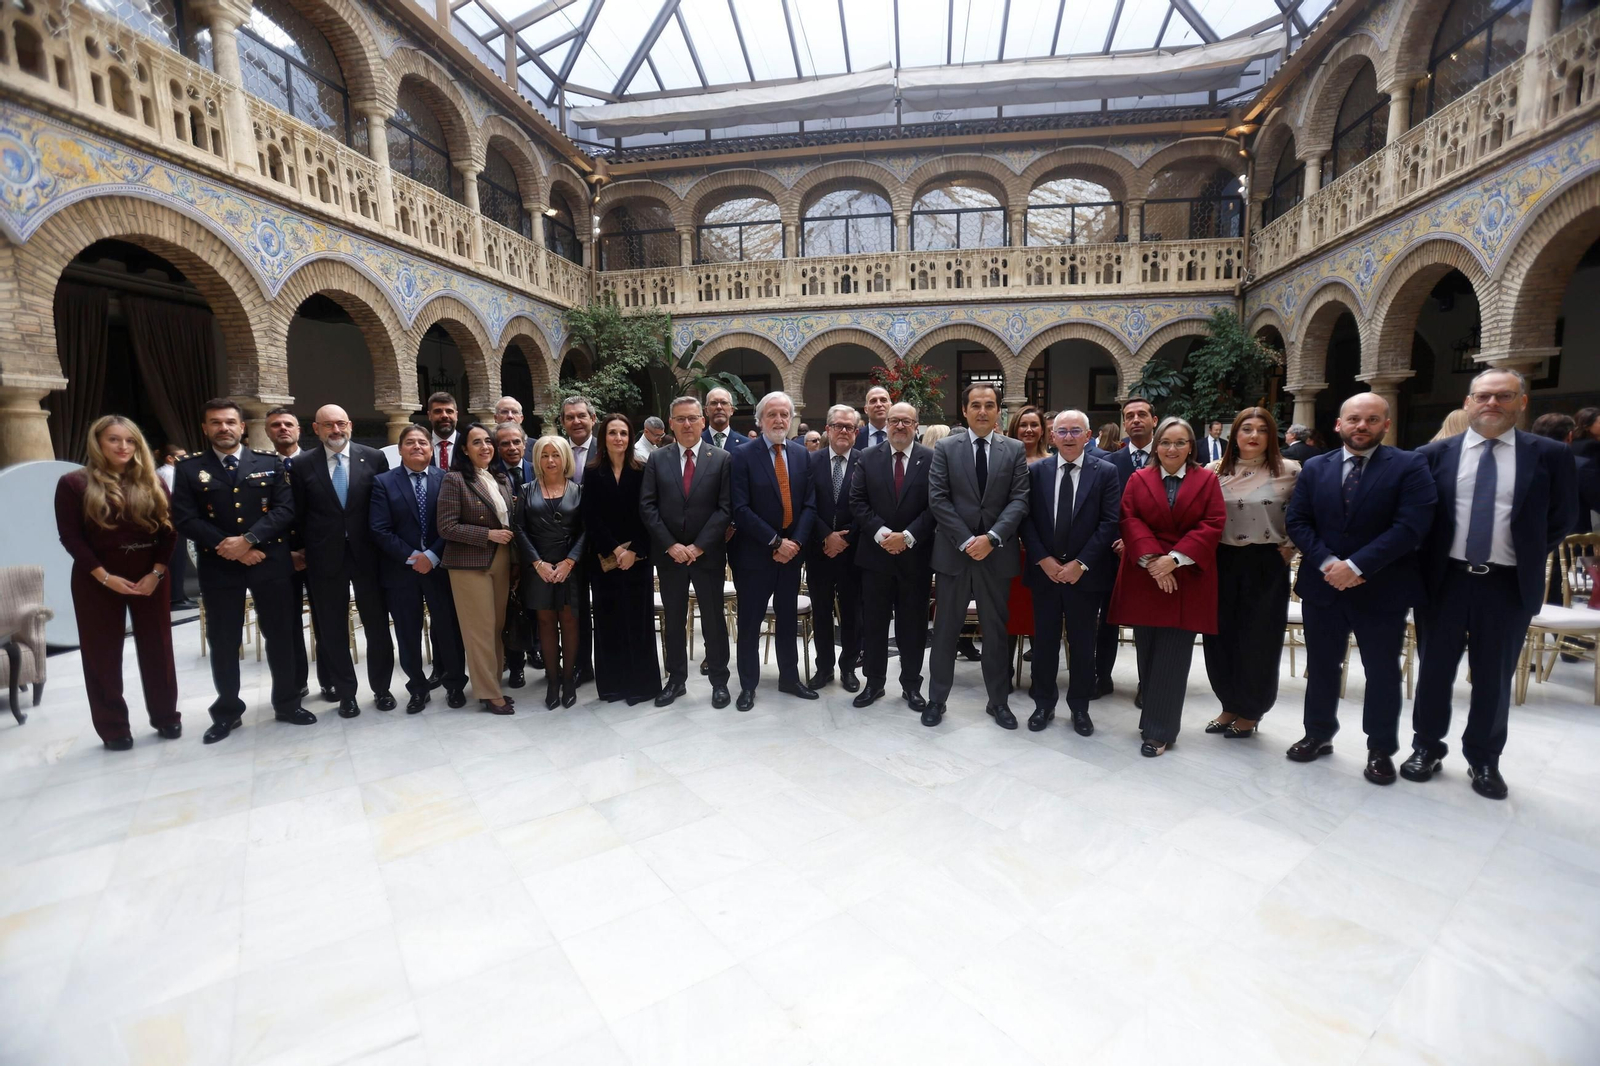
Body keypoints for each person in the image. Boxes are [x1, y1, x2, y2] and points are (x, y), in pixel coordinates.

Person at [1406, 370, 1577, 800]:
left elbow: (1560, 517)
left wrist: (1523, 550)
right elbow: (1420, 518)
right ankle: (1426, 747)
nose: (1492, 404)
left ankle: (1484, 758)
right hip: (1445, 581)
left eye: (1504, 396)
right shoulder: (1433, 455)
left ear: (1522, 402)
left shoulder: (1550, 455)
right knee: (1435, 671)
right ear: (1468, 402)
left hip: (1505, 585)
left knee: (1494, 677)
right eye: (1483, 396)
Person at [1285, 393, 1436, 784]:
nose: (1361, 426)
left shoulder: (1409, 465)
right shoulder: (1316, 467)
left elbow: (1411, 526)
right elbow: (1298, 521)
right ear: (1339, 424)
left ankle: (1380, 748)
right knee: (1320, 666)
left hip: (1382, 588)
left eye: (1372, 419)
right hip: (1324, 587)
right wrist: (1328, 564)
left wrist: (1356, 566)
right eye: (1353, 419)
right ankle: (1317, 734)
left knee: (1382, 671)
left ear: (1386, 424)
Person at [170, 399, 315, 743]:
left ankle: (287, 702)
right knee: (223, 640)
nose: (224, 428)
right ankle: (227, 712)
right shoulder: (190, 469)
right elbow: (185, 518)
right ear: (205, 428)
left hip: (270, 562)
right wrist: (232, 548)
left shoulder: (268, 463)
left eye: (230, 422)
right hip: (220, 567)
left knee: (281, 634)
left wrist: (249, 541)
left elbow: (285, 509)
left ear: (242, 427)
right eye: (216, 422)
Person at [55, 416, 179, 749]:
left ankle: (167, 717)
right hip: (96, 579)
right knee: (101, 655)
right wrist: (104, 577)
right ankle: (114, 728)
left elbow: (170, 533)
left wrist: (156, 573)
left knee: (159, 649)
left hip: (151, 577)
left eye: (130, 441)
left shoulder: (154, 481)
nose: (123, 447)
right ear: (98, 443)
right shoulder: (73, 484)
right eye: (114, 439)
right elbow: (70, 537)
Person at [1109, 416, 1226, 757]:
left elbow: (1212, 522)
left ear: (1191, 447)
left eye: (1179, 442)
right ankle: (1151, 718)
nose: (1171, 449)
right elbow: (1129, 518)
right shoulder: (1138, 478)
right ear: (1156, 446)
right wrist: (1153, 561)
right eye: (1165, 442)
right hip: (1145, 576)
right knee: (1147, 652)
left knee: (1173, 657)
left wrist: (1173, 560)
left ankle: (1160, 731)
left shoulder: (1206, 480)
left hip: (1186, 578)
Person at [926, 383, 1030, 728]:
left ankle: (998, 702)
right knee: (944, 630)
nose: (982, 411)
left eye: (989, 405)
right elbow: (938, 498)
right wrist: (968, 540)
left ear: (999, 410)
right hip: (955, 555)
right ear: (965, 410)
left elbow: (1019, 500)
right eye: (976, 405)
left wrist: (993, 538)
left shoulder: (1014, 450)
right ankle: (936, 699)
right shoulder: (945, 447)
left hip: (996, 556)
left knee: (997, 632)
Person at [1019, 410, 1120, 737]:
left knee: (1082, 644)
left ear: (1088, 436)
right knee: (1045, 644)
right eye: (1061, 431)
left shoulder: (1105, 472)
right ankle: (1043, 704)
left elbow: (1109, 522)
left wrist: (1081, 564)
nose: (1068, 436)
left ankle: (1080, 707)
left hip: (1085, 576)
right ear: (1052, 436)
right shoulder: (1037, 472)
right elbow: (1026, 520)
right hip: (1045, 574)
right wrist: (1043, 560)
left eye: (1076, 430)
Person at [1202, 407, 1301, 739]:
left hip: (1265, 563)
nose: (1254, 435)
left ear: (1271, 436)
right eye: (1247, 429)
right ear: (1235, 435)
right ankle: (1228, 703)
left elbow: (1305, 515)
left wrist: (1292, 546)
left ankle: (1252, 709)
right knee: (1220, 637)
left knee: (1258, 639)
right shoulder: (1213, 471)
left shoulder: (1289, 470)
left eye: (1262, 430)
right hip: (1221, 560)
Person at [290, 404, 394, 718]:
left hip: (369, 556)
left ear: (350, 425)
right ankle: (346, 693)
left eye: (340, 424)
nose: (336, 431)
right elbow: (296, 512)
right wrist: (296, 550)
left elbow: (385, 505)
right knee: (332, 629)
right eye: (328, 425)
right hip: (323, 559)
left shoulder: (374, 458)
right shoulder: (302, 465)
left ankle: (382, 689)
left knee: (376, 627)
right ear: (316, 429)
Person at [641, 396, 733, 708]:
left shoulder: (720, 458)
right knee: (674, 619)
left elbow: (724, 509)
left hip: (707, 555)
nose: (687, 424)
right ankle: (676, 679)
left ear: (703, 421)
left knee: (713, 621)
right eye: (680, 419)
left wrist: (698, 546)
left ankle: (719, 681)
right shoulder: (658, 459)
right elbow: (648, 506)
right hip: (670, 557)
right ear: (671, 423)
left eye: (693, 418)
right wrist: (671, 545)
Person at [370, 425, 467, 713]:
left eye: (422, 442)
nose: (417, 447)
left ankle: (454, 685)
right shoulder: (383, 483)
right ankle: (418, 688)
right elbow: (379, 529)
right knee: (408, 634)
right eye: (410, 443)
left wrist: (432, 556)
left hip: (441, 569)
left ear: (431, 448)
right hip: (401, 572)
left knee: (448, 630)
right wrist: (415, 557)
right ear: (399, 449)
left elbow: (453, 522)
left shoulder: (448, 479)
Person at [729, 391, 817, 710]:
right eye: (772, 414)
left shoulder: (800, 454)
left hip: (791, 554)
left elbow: (809, 504)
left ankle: (789, 679)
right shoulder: (741, 455)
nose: (779, 420)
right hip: (754, 555)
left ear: (791, 419)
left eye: (784, 414)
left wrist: (793, 544)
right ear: (760, 420)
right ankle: (748, 685)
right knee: (750, 622)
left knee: (787, 617)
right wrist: (776, 542)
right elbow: (740, 509)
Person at [851, 402, 936, 714]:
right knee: (873, 624)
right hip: (876, 557)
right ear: (885, 424)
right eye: (894, 421)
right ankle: (873, 682)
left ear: (917, 425)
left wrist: (908, 537)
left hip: (915, 558)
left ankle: (911, 686)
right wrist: (882, 534)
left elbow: (936, 505)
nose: (900, 426)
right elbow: (857, 501)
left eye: (907, 421)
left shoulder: (931, 458)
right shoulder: (867, 457)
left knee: (912, 626)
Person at [437, 422, 517, 714]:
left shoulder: (500, 478)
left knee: (496, 628)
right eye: (477, 442)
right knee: (479, 630)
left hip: (502, 558)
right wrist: (487, 535)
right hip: (469, 564)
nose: (485, 446)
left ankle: (492, 685)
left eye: (488, 441)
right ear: (464, 449)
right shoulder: (454, 479)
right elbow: (446, 527)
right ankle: (489, 692)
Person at [582, 413, 661, 705]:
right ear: (604, 437)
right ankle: (614, 686)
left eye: (623, 433)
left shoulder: (642, 470)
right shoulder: (592, 472)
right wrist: (615, 550)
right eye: (612, 433)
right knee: (609, 621)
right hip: (605, 559)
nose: (618, 438)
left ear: (630, 438)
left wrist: (634, 551)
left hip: (637, 559)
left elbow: (649, 513)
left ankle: (642, 686)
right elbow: (591, 517)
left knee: (637, 622)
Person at [514, 435, 586, 709]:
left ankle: (568, 679)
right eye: (544, 455)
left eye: (555, 455)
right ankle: (552, 680)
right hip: (539, 568)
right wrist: (537, 563)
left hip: (569, 566)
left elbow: (585, 530)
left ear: (565, 458)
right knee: (545, 623)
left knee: (569, 621)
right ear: (537, 460)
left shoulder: (578, 490)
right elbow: (518, 528)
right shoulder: (525, 489)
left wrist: (570, 562)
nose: (550, 460)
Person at [264, 406, 328, 701]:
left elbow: (327, 511)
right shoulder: (260, 466)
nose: (282, 429)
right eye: (276, 425)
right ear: (267, 431)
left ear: (300, 430)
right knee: (286, 623)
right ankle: (296, 682)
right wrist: (285, 551)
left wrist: (308, 549)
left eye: (288, 424)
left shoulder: (318, 462)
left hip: (318, 554)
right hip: (279, 558)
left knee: (326, 619)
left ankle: (330, 680)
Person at [1098, 396, 1158, 700]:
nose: (1136, 420)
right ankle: (1102, 677)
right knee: (1106, 619)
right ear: (1124, 423)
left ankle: (1148, 684)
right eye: (1130, 415)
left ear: (1154, 421)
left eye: (1142, 415)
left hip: (1153, 556)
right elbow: (1105, 511)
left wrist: (1138, 543)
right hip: (1112, 554)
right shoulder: (1109, 463)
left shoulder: (1166, 460)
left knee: (1147, 623)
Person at [805, 405, 863, 693]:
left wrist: (846, 539)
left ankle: (849, 668)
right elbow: (806, 506)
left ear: (856, 432)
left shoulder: (866, 463)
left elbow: (869, 507)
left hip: (853, 554)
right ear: (827, 430)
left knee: (852, 613)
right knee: (822, 611)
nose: (843, 431)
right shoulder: (809, 461)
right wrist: (826, 535)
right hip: (819, 551)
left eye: (849, 427)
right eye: (838, 426)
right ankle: (824, 668)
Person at [561, 396, 598, 686]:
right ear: (563, 423)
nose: (576, 421)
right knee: (576, 610)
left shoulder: (607, 447)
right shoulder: (556, 452)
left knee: (605, 604)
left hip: (601, 543)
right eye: (570, 417)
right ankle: (581, 665)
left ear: (592, 419)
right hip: (566, 545)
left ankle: (610, 664)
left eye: (581, 416)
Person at [156, 444, 197, 609]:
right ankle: (176, 597)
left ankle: (178, 595)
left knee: (177, 559)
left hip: (170, 520)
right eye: (181, 456)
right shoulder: (170, 473)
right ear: (170, 458)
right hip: (173, 520)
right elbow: (172, 499)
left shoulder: (163, 472)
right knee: (176, 559)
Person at [381, 392, 460, 469]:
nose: (444, 415)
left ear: (456, 415)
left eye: (449, 411)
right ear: (429, 415)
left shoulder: (467, 444)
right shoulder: (417, 447)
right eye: (438, 411)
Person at [703, 387, 748, 451]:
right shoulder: (697, 442)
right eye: (714, 403)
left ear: (732, 410)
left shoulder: (746, 444)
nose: (719, 407)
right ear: (706, 411)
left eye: (724, 403)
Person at [857, 385, 892, 450]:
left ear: (891, 406)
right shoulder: (855, 436)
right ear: (866, 409)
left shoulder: (901, 434)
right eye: (873, 401)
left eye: (883, 400)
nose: (879, 404)